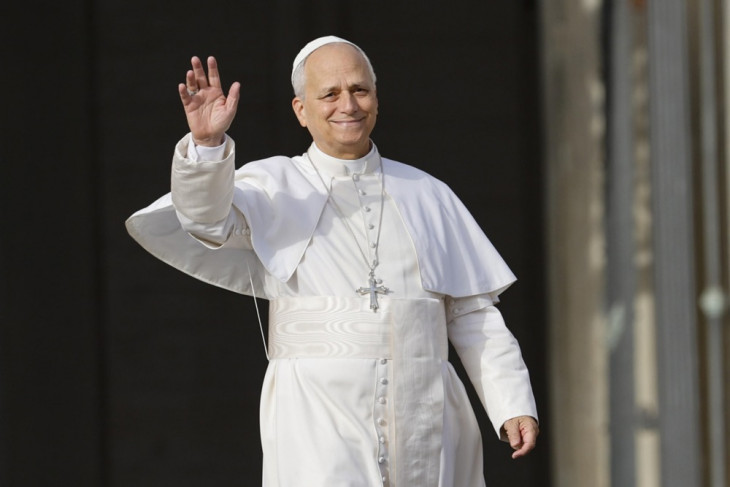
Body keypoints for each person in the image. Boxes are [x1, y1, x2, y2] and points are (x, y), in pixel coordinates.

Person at [126, 35, 538, 486]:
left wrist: (511, 402)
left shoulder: (428, 193)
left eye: (360, 90)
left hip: (427, 408)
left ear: (377, 99)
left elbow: (471, 312)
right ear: (301, 110)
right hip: (316, 414)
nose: (349, 104)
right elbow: (205, 219)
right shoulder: (272, 185)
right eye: (330, 94)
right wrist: (207, 146)